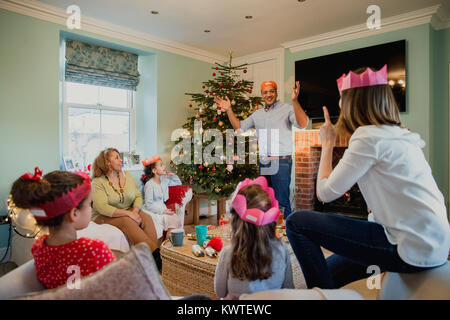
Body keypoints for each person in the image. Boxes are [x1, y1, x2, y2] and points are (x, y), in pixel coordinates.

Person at [286, 65, 450, 289]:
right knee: (329, 274)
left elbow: (324, 193)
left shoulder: (367, 137)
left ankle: (320, 296)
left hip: (408, 248)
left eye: (342, 98)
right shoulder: (399, 134)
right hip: (433, 245)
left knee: (297, 221)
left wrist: (328, 144)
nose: (339, 104)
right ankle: (325, 289)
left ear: (354, 102)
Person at [214, 80, 308, 219]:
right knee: (264, 201)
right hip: (264, 162)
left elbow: (303, 124)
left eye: (271, 91)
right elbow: (239, 128)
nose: (268, 94)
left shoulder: (287, 108)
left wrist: (295, 101)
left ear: (276, 92)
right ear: (262, 95)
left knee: (281, 202)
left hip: (281, 162)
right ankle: (268, 234)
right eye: (265, 92)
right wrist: (229, 110)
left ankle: (288, 235)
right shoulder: (257, 115)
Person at [9, 167, 115, 289]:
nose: (91, 208)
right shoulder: (95, 250)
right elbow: (115, 287)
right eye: (89, 204)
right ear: (74, 213)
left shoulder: (38, 248)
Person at [214, 176, 294, 299]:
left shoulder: (228, 253)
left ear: (235, 220)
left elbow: (220, 292)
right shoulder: (282, 249)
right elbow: (289, 288)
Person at [91, 148, 162, 270]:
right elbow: (102, 207)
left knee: (148, 218)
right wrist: (129, 215)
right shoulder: (98, 182)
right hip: (103, 215)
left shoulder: (127, 175)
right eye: (117, 157)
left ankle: (151, 259)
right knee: (126, 221)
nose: (121, 159)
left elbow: (138, 196)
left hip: (128, 209)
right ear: (107, 162)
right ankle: (156, 258)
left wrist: (134, 211)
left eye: (120, 157)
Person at [141, 154, 183, 240]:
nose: (164, 166)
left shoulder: (164, 181)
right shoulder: (150, 185)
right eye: (161, 165)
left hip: (162, 208)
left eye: (163, 164)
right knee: (172, 219)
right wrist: (163, 211)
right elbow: (148, 205)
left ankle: (169, 245)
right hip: (152, 210)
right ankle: (166, 247)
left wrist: (173, 175)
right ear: (154, 170)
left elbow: (179, 184)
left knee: (175, 220)